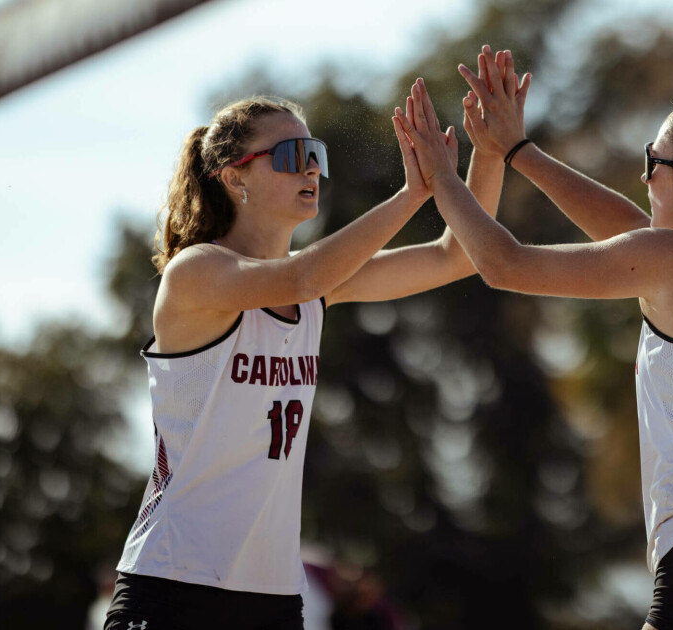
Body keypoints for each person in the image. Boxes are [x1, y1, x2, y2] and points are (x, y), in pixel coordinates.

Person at [393, 51, 673, 629]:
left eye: (652, 161)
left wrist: (443, 179)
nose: (645, 174)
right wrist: (519, 153)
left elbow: (504, 264)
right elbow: (632, 235)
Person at [106, 79, 505, 630]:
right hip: (175, 586)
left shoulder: (315, 287)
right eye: (293, 156)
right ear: (234, 176)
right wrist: (415, 192)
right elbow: (301, 275)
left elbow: (458, 255)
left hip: (273, 597)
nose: (312, 169)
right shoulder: (195, 272)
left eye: (315, 155)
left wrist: (490, 151)